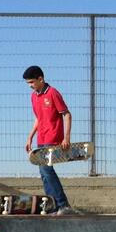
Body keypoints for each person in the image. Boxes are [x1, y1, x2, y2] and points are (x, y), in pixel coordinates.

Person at [23, 66, 77, 214]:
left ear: (41, 79)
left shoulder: (53, 93)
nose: (30, 86)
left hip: (53, 138)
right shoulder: (34, 96)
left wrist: (66, 137)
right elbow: (38, 118)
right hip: (41, 138)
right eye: (28, 83)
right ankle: (54, 206)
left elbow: (66, 114)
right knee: (44, 174)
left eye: (32, 82)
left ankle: (63, 205)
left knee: (46, 170)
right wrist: (30, 137)